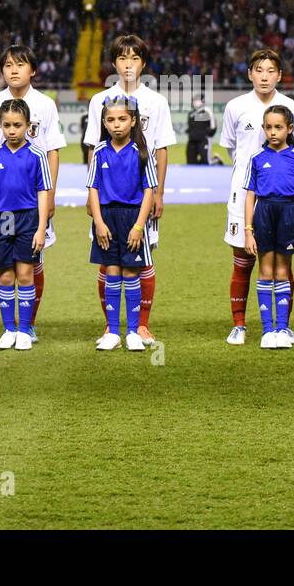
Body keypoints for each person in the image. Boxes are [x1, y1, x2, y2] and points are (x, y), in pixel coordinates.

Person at [83, 35, 176, 346]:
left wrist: (159, 194)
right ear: (114, 63)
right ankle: (110, 327)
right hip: (107, 197)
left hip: (141, 196)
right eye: (122, 59)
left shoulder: (157, 101)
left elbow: (161, 148)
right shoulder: (100, 100)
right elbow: (92, 148)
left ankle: (141, 326)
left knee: (141, 260)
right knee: (108, 258)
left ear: (143, 63)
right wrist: (90, 193)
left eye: (134, 59)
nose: (128, 65)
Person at [0, 45, 66, 340]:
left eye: (21, 64)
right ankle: (9, 326)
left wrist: (49, 198)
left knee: (31, 262)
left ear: (33, 70)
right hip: (1, 204)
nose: (14, 70)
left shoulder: (45, 104)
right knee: (4, 265)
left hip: (31, 202)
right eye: (8, 65)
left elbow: (52, 151)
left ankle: (28, 324)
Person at [220, 50, 294, 345]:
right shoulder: (235, 107)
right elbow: (233, 151)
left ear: (280, 75)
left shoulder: (291, 107)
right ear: (250, 74)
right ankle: (239, 325)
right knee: (243, 259)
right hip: (244, 193)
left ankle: (284, 324)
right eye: (259, 70)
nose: (265, 76)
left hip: (281, 198)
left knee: (284, 261)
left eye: (271, 70)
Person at [0, 98, 52, 351]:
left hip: (27, 218)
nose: (12, 130)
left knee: (25, 274)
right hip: (1, 219)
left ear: (28, 126)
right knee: (5, 275)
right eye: (7, 125)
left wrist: (42, 228)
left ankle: (24, 331)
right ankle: (8, 329)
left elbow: (43, 192)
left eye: (17, 125)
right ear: (0, 125)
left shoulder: (37, 155)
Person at [87, 96, 159, 352]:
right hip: (106, 218)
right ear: (104, 123)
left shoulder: (140, 152)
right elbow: (93, 188)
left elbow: (149, 190)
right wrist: (98, 222)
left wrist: (139, 226)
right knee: (112, 272)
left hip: (132, 218)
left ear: (133, 121)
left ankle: (132, 332)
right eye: (110, 120)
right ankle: (113, 332)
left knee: (131, 272)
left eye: (122, 119)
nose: (116, 124)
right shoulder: (99, 151)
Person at [243, 105, 294, 349]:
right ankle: (267, 330)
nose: (273, 132)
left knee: (283, 271)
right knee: (265, 271)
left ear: (289, 129)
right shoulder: (256, 159)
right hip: (263, 213)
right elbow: (250, 196)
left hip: (287, 214)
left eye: (278, 127)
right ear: (263, 129)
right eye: (269, 127)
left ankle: (282, 327)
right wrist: (248, 231)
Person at [187, 97, 214, 165]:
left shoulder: (207, 111)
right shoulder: (191, 113)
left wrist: (209, 134)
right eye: (194, 100)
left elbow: (213, 125)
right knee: (191, 162)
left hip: (203, 140)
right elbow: (191, 126)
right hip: (192, 141)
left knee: (206, 161)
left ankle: (217, 161)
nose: (195, 102)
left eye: (197, 100)